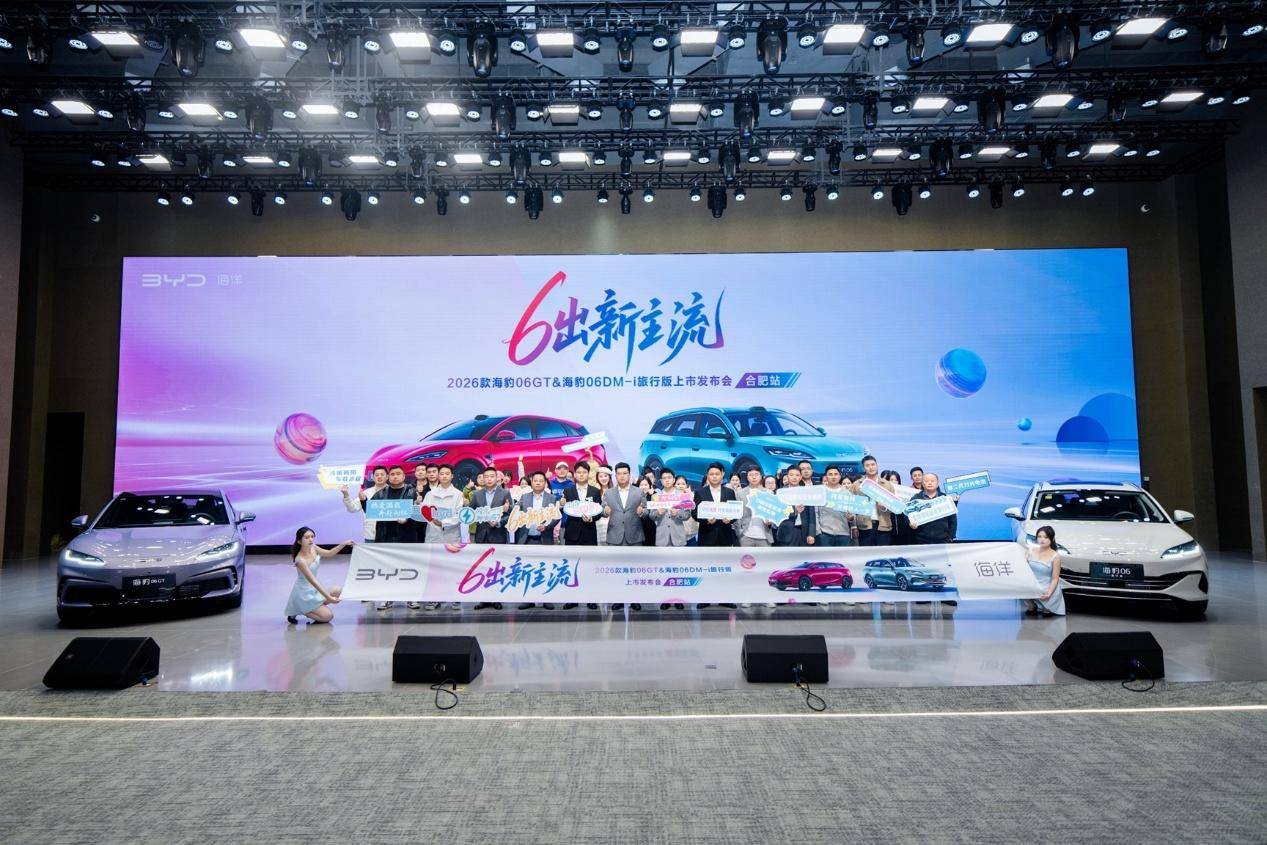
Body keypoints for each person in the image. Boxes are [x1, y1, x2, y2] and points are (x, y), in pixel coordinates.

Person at [285, 527, 351, 624]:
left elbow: (329, 553)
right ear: (299, 541)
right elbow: (313, 581)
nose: (310, 539)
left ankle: (314, 608)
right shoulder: (300, 560)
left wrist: (343, 544)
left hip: (314, 589)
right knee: (328, 616)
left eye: (312, 536)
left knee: (338, 590)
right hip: (304, 594)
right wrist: (329, 598)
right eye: (307, 537)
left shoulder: (313, 547)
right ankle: (302, 609)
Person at [694, 462, 738, 609]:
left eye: (717, 474)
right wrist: (706, 519)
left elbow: (736, 512)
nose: (714, 477)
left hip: (725, 535)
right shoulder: (700, 492)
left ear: (722, 474)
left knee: (725, 568)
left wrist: (730, 519)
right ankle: (705, 599)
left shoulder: (729, 492)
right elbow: (695, 513)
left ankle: (725, 598)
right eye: (711, 474)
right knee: (706, 568)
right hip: (707, 535)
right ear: (707, 475)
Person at [603, 462, 646, 610]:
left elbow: (646, 509)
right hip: (615, 535)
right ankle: (618, 599)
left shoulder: (638, 492)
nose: (622, 476)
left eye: (625, 473)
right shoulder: (608, 493)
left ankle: (635, 599)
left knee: (635, 569)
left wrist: (642, 511)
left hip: (634, 535)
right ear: (615, 476)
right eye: (619, 474)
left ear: (629, 474)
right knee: (617, 570)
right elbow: (602, 509)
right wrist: (605, 511)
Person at [470, 466, 512, 611]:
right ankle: (483, 599)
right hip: (481, 535)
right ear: (482, 478)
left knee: (497, 568)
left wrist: (499, 521)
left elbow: (511, 514)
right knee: (482, 568)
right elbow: (471, 513)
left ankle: (496, 599)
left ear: (497, 478)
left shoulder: (505, 493)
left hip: (498, 535)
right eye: (486, 476)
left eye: (491, 476)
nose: (489, 479)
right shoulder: (476, 494)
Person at [562, 460, 602, 609]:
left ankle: (591, 598)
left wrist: (592, 518)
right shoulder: (568, 491)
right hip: (572, 534)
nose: (581, 474)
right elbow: (564, 510)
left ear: (588, 474)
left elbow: (599, 512)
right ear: (574, 474)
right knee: (572, 567)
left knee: (590, 567)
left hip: (589, 533)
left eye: (584, 472)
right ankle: (573, 599)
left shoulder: (595, 491)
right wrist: (561, 504)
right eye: (578, 472)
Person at [852, 455, 895, 546]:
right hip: (864, 526)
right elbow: (852, 506)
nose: (871, 467)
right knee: (866, 553)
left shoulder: (887, 485)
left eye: (873, 464)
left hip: (883, 526)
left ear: (877, 465)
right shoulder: (857, 485)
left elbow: (894, 507)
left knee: (883, 553)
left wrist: (884, 507)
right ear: (863, 468)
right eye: (867, 465)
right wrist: (854, 526)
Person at [1025, 525, 1066, 617]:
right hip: (1033, 583)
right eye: (1039, 537)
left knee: (1046, 610)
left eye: (1046, 537)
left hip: (1047, 586)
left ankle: (1046, 605)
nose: (1042, 539)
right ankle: (1032, 605)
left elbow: (1055, 578)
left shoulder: (1055, 556)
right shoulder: (1030, 550)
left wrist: (1049, 593)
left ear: (1052, 538)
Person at [908, 472, 957, 545]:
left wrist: (950, 537)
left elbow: (952, 519)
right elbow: (908, 516)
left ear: (937, 483)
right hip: (920, 540)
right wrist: (910, 523)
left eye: (932, 481)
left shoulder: (945, 498)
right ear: (922, 483)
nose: (930, 483)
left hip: (943, 541)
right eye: (926, 481)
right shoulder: (916, 499)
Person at [775, 465, 817, 546]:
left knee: (804, 554)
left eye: (797, 475)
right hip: (786, 531)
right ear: (787, 476)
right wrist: (794, 511)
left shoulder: (807, 492)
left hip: (804, 531)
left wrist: (811, 533)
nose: (794, 478)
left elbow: (812, 515)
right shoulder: (781, 493)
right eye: (791, 475)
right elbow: (779, 513)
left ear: (801, 477)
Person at [817, 465, 855, 546]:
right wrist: (818, 532)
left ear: (840, 476)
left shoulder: (847, 493)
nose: (833, 477)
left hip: (843, 533)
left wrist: (851, 518)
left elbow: (853, 514)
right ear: (826, 477)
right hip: (824, 533)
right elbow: (815, 513)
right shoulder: (820, 492)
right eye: (830, 474)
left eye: (836, 474)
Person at [737, 465, 775, 547]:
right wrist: (739, 532)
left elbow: (773, 513)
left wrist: (770, 522)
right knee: (746, 556)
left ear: (761, 476)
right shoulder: (740, 493)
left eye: (756, 474)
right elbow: (737, 515)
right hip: (746, 536)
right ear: (747, 477)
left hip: (765, 536)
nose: (754, 477)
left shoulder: (769, 493)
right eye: (751, 475)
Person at [676, 475, 699, 546]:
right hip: (676, 535)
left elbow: (694, 509)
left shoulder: (692, 495)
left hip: (691, 534)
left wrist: (690, 496)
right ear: (674, 485)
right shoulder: (670, 497)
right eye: (678, 484)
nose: (681, 486)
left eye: (683, 484)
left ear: (687, 485)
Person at [593, 465, 613, 545]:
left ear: (609, 477)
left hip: (612, 523)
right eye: (600, 476)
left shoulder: (614, 490)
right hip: (598, 523)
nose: (603, 478)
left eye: (605, 476)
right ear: (597, 478)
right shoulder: (594, 491)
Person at [637, 477, 658, 546]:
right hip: (637, 528)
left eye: (646, 485)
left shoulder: (654, 495)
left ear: (650, 486)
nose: (643, 487)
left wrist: (653, 494)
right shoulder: (634, 496)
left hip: (651, 528)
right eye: (641, 485)